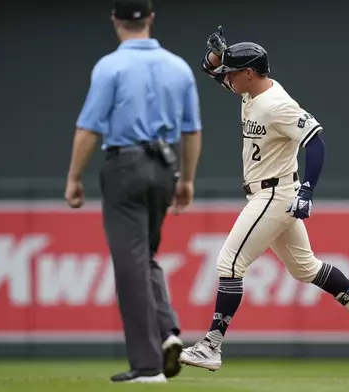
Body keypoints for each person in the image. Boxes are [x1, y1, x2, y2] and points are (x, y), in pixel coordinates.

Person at [178, 27, 349, 372]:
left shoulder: (277, 104)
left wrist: (308, 190)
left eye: (233, 72)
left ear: (249, 73)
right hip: (268, 191)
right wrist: (219, 56)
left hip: (276, 192)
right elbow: (212, 70)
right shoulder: (250, 91)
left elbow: (316, 140)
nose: (227, 79)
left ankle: (211, 345)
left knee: (230, 264)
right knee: (305, 268)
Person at [64, 0, 202, 383]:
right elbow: (192, 131)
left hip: (124, 165)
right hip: (165, 167)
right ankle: (169, 334)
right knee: (145, 257)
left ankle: (147, 365)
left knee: (130, 266)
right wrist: (186, 180)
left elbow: (89, 127)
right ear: (151, 19)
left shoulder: (111, 66)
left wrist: (74, 177)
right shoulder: (178, 67)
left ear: (115, 21)